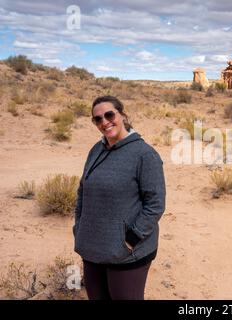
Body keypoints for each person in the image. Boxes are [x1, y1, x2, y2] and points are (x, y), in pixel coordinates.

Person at [73, 95, 166, 300]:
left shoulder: (144, 154)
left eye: (109, 114)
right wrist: (79, 227)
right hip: (92, 249)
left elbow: (155, 204)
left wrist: (129, 241)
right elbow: (83, 190)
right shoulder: (96, 150)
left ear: (122, 115)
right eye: (97, 119)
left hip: (127, 254)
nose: (104, 122)